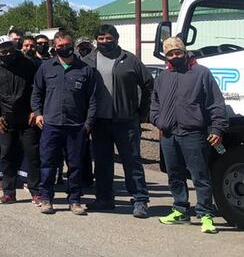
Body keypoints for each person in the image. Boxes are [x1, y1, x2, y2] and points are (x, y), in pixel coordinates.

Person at [151, 37, 227, 234]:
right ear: (166, 57)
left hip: (193, 134)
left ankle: (205, 214)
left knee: (200, 176)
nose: (175, 56)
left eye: (178, 52)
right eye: (170, 54)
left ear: (185, 53)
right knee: (174, 175)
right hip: (169, 135)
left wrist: (217, 129)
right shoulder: (163, 77)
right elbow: (155, 103)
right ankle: (180, 209)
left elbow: (215, 103)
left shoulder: (201, 73)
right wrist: (158, 120)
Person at [82, 24, 153, 218]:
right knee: (102, 163)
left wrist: (143, 112)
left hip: (126, 120)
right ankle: (104, 199)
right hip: (99, 122)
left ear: (116, 38)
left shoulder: (130, 60)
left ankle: (140, 200)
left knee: (132, 162)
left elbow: (148, 85)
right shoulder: (88, 61)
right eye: (101, 38)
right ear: (96, 40)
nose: (105, 41)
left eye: (108, 38)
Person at [31, 31, 98, 215]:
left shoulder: (85, 69)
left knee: (75, 165)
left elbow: (93, 99)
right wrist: (38, 114)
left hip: (76, 126)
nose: (64, 48)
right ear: (55, 47)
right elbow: (36, 93)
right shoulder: (46, 68)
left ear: (73, 45)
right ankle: (46, 198)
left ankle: (74, 200)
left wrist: (88, 123)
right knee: (48, 163)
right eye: (60, 46)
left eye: (67, 45)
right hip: (51, 124)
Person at [0, 35, 41, 203]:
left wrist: (35, 110)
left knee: (33, 155)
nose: (7, 53)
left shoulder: (28, 64)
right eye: (3, 51)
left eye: (10, 50)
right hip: (5, 119)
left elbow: (37, 89)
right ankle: (9, 192)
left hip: (27, 118)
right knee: (7, 155)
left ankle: (36, 192)